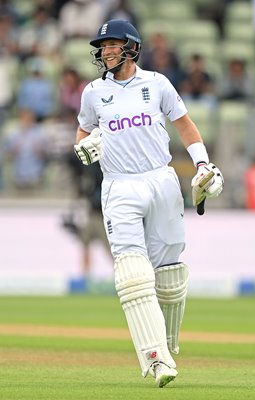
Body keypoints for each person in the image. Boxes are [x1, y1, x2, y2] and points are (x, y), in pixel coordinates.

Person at [73, 19, 224, 388]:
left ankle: (168, 345)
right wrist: (84, 148)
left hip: (161, 180)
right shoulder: (93, 92)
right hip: (120, 187)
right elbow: (82, 134)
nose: (105, 51)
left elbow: (185, 125)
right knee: (132, 274)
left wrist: (202, 163)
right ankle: (155, 359)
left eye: (113, 45)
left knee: (169, 275)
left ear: (132, 48)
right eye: (102, 46)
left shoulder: (157, 84)